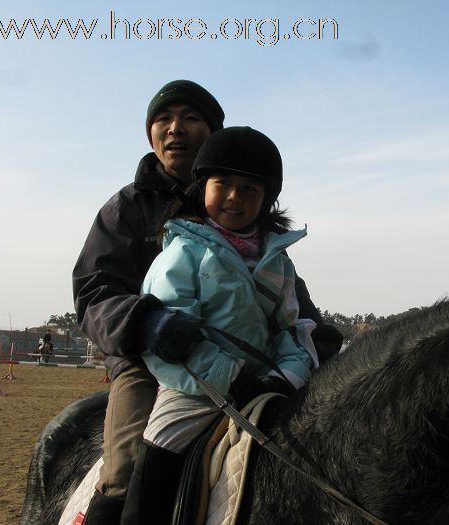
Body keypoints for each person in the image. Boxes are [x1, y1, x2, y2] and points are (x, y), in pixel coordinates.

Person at [73, 80, 342, 524]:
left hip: (256, 367)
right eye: (164, 119)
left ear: (213, 132)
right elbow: (92, 292)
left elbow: (292, 307)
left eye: (190, 119)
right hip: (151, 358)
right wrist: (145, 322)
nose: (175, 128)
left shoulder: (259, 234)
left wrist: (319, 348)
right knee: (124, 469)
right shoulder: (126, 207)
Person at [121, 126, 317, 523]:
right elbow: (173, 334)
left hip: (265, 389)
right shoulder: (183, 252)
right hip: (193, 390)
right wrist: (231, 377)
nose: (234, 197)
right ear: (202, 186)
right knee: (156, 457)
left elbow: (293, 330)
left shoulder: (279, 262)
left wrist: (284, 379)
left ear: (265, 199)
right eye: (223, 183)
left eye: (249, 189)